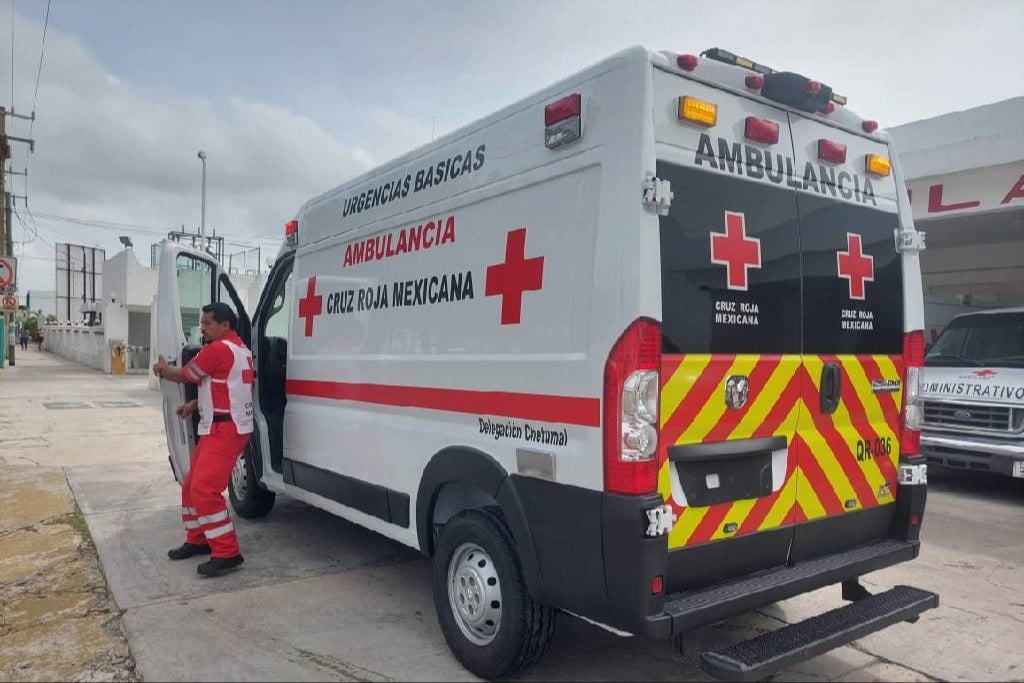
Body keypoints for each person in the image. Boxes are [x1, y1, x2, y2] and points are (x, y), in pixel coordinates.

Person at [152, 302, 253, 577]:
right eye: (202, 322)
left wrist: (162, 369)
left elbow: (184, 375)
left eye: (208, 323)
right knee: (190, 486)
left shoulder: (218, 350)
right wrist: (196, 405)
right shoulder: (240, 349)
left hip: (224, 430)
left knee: (204, 490)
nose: (203, 327)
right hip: (220, 426)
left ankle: (227, 552)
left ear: (225, 325)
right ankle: (197, 539)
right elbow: (228, 387)